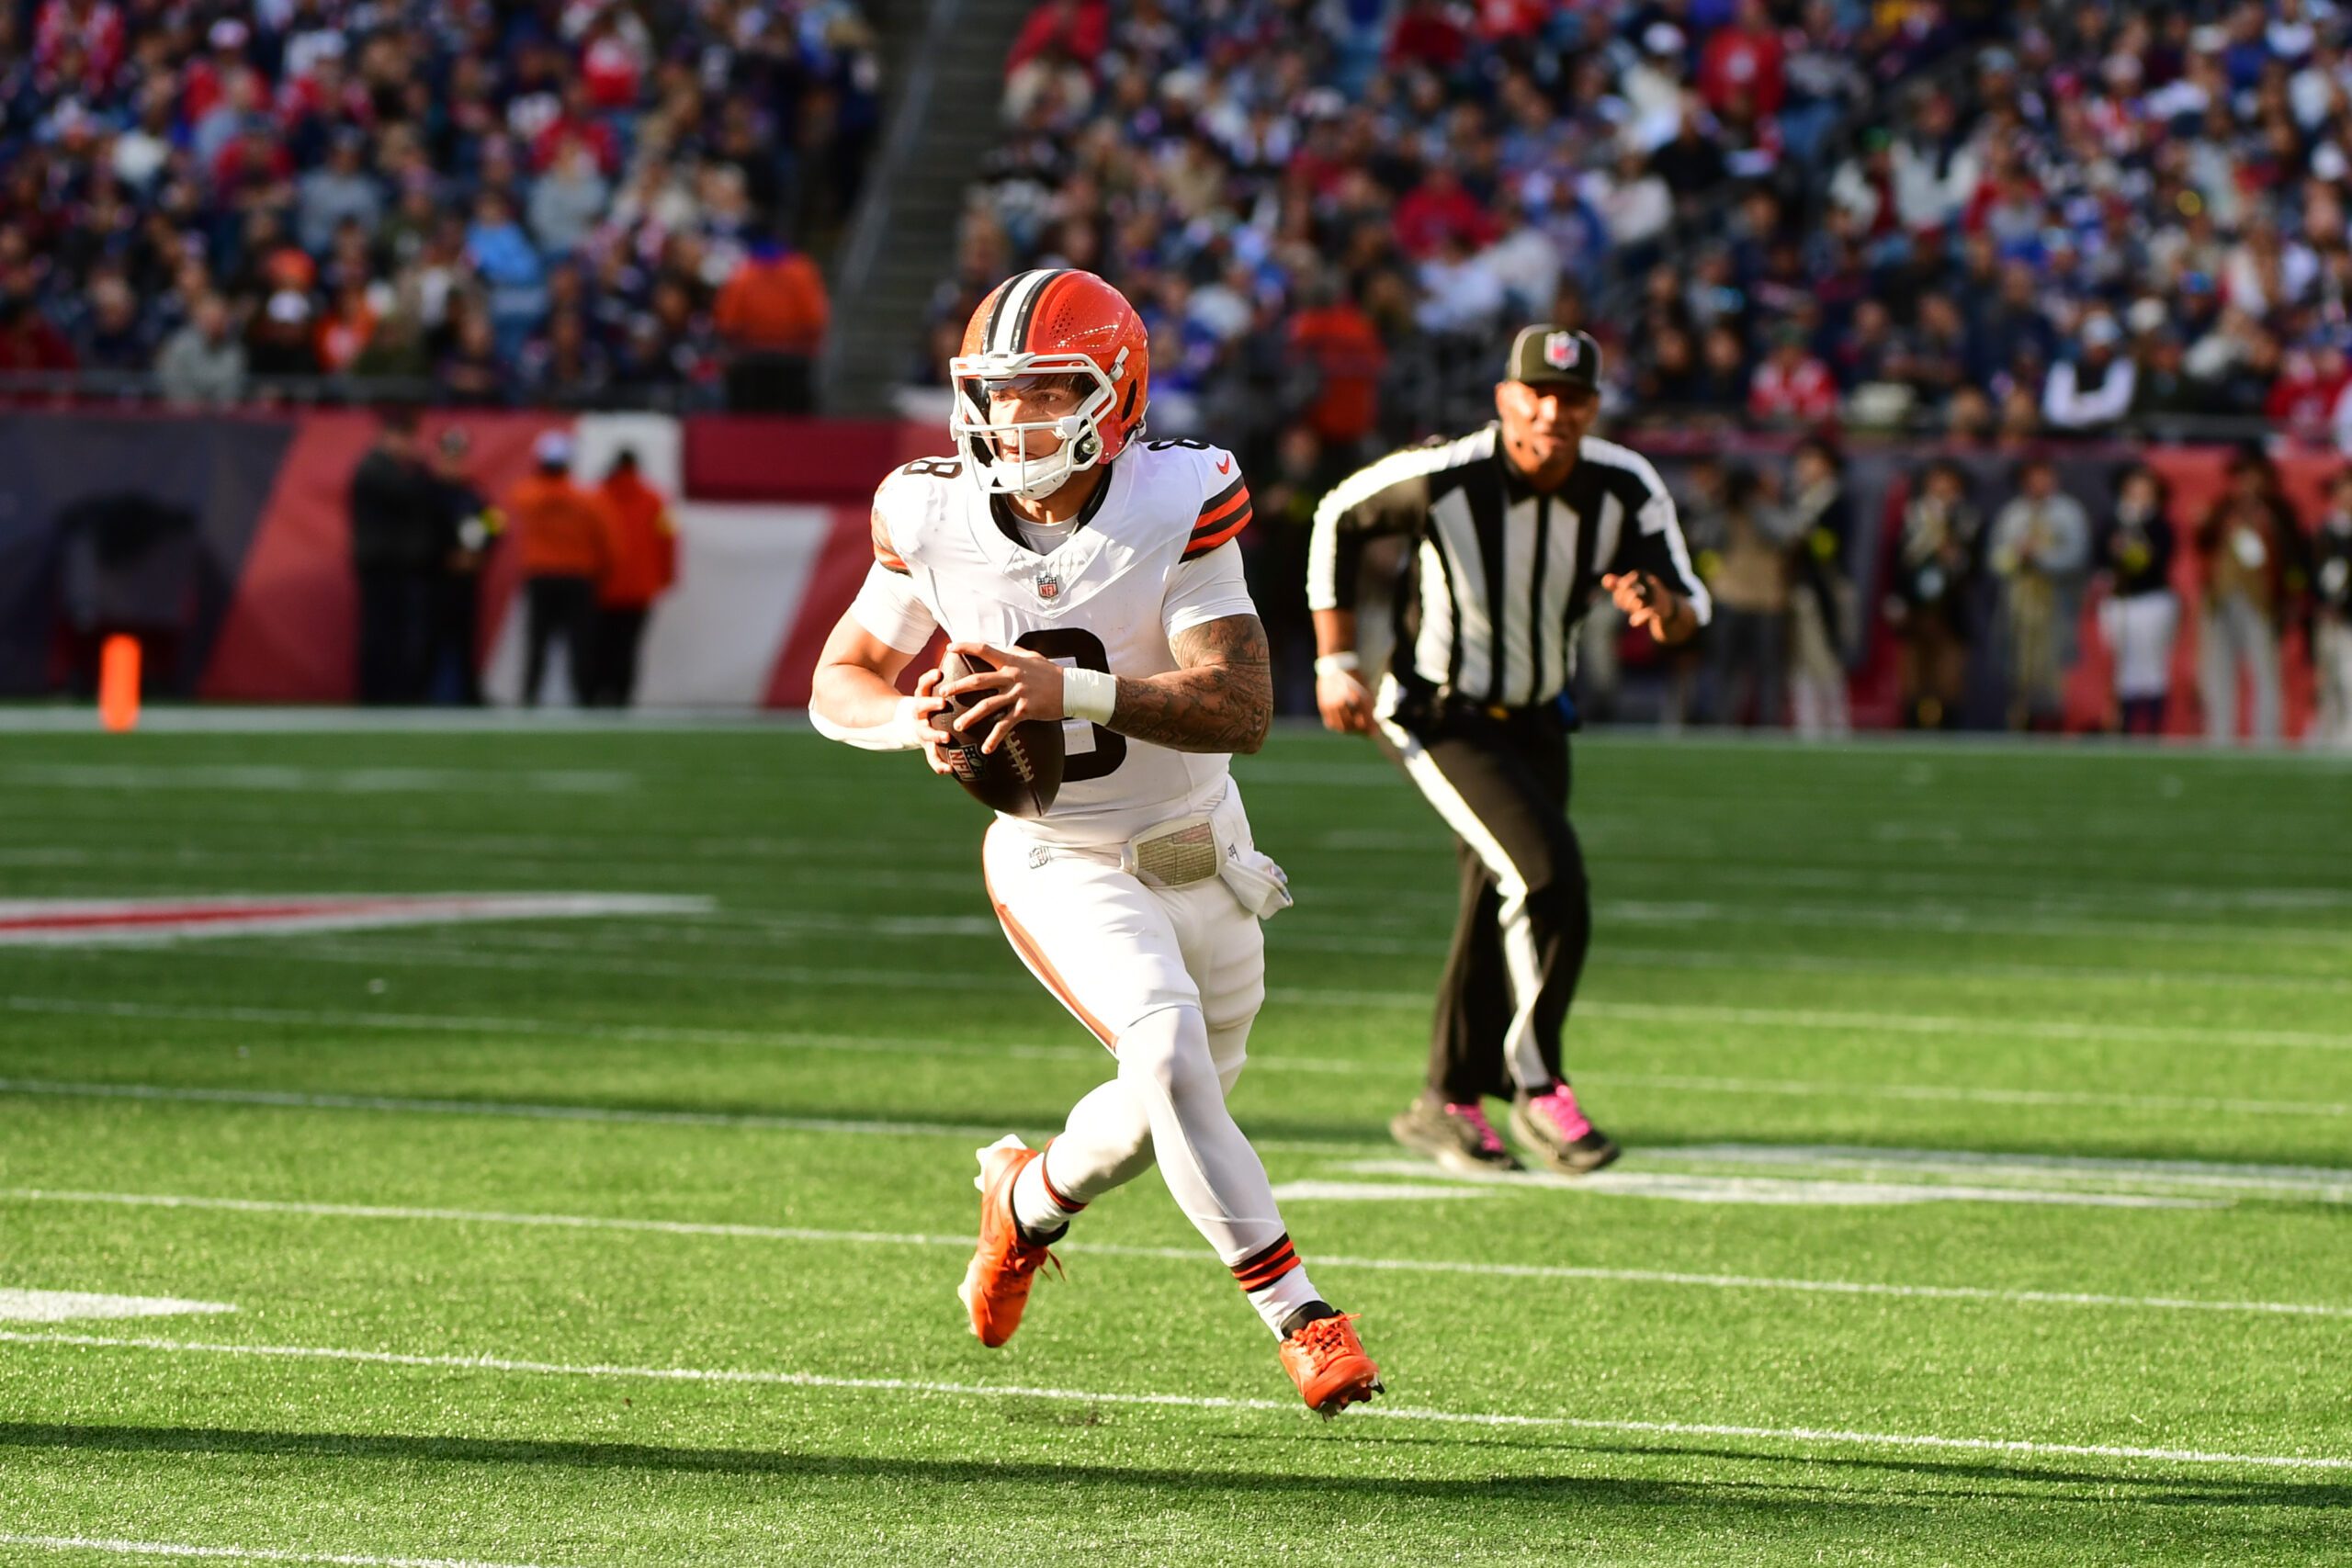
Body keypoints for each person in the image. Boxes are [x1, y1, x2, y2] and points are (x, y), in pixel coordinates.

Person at [806, 268, 1382, 1416]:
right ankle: (1304, 1318)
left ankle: (1022, 1204)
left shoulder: (1179, 495)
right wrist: (907, 721)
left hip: (1204, 847)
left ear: (1115, 390)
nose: (1016, 419)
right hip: (1059, 855)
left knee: (1160, 1107)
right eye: (1000, 392)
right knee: (1168, 1061)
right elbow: (840, 681)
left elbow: (1240, 707)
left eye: (1047, 389)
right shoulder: (929, 511)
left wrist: (1066, 690)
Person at [1306, 325, 1709, 1177]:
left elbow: (1689, 605)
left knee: (1498, 890)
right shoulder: (1448, 475)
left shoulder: (1622, 484)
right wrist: (1335, 660)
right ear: (1505, 398)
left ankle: (1446, 1100)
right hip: (1437, 712)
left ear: (1594, 409)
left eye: (1571, 399)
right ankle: (1537, 1086)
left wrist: (1660, 608)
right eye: (1538, 394)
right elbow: (1337, 514)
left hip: (1536, 718)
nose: (1552, 412)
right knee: (1545, 877)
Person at [503, 430, 613, 706]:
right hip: (577, 577)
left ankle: (530, 695)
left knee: (538, 642)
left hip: (542, 576)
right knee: (580, 642)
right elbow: (606, 539)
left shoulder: (528, 493)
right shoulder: (586, 499)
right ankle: (584, 696)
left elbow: (517, 502)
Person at [2194, 448, 2295, 745]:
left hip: (2261, 601)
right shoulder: (2224, 508)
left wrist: (2288, 597)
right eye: (2242, 476)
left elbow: (2291, 557)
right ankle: (2219, 734)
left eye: (2254, 475)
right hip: (2222, 599)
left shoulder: (2278, 511)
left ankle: (2267, 737)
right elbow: (2204, 543)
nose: (2248, 482)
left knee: (2264, 672)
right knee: (2219, 670)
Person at [1987, 457, 2091, 732]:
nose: (2038, 483)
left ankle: (2054, 723)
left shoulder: (2068, 512)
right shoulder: (2013, 513)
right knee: (2019, 667)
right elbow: (1994, 558)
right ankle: (2020, 721)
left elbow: (2077, 556)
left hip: (2055, 600)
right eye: (2033, 477)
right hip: (2019, 600)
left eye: (2044, 476)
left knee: (2054, 668)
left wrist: (2042, 557)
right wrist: (2016, 556)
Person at [347, 408, 438, 704]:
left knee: (400, 634)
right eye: (405, 438)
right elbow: (410, 494)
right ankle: (377, 693)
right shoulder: (373, 469)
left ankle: (399, 692)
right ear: (387, 437)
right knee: (381, 633)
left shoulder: (391, 470)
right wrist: (424, 468)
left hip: (406, 566)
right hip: (382, 563)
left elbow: (491, 519)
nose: (409, 445)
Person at [1885, 459, 1979, 730]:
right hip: (1915, 608)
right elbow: (1898, 560)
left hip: (1950, 609)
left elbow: (1973, 566)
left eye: (1948, 480)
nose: (1941, 486)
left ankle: (1947, 726)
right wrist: (1896, 598)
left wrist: (1952, 555)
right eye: (1937, 479)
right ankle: (1913, 725)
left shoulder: (1965, 518)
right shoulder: (1913, 516)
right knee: (1913, 673)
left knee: (1948, 675)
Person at [2095, 465, 2178, 736]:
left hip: (2151, 600)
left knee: (2151, 663)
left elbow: (2154, 561)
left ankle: (2153, 724)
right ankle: (2126, 722)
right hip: (2119, 601)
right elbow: (2100, 558)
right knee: (2125, 664)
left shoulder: (2159, 525)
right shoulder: (2112, 521)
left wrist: (2132, 546)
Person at [590, 448, 677, 706]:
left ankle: (598, 692)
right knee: (628, 647)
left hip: (602, 584)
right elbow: (669, 539)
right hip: (641, 587)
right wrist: (666, 576)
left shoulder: (597, 497)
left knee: (601, 644)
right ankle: (622, 695)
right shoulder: (657, 499)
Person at [423, 426, 499, 706]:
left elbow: (496, 522)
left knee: (466, 640)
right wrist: (445, 556)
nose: (453, 462)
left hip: (466, 581)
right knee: (428, 639)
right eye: (448, 455)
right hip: (433, 579)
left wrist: (480, 554)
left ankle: (467, 696)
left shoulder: (473, 495)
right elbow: (419, 533)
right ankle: (423, 696)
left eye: (459, 456)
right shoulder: (427, 492)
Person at [1783, 437, 1852, 739]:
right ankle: (1808, 727)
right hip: (1798, 591)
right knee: (1799, 663)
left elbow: (1829, 549)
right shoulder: (1798, 500)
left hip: (1825, 590)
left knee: (1826, 659)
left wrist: (1805, 536)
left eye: (1813, 460)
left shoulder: (1835, 501)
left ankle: (1836, 727)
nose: (1805, 468)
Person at [2314, 471, 2352, 748]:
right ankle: (2330, 731)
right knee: (2330, 678)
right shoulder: (2324, 532)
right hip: (2329, 617)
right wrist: (2323, 604)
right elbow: (2310, 572)